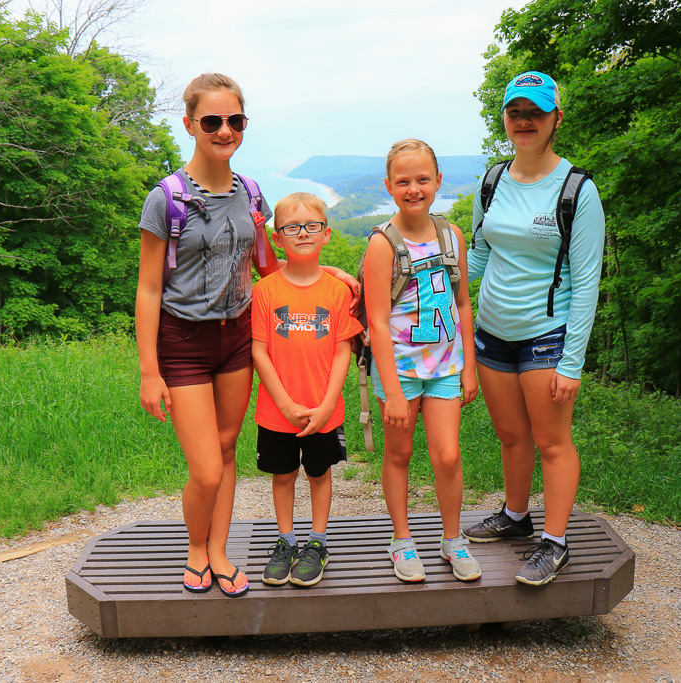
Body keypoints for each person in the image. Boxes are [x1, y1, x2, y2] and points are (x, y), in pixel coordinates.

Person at [135, 74, 355, 597]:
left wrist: (333, 276)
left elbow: (265, 264)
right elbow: (147, 290)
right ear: (190, 124)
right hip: (183, 342)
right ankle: (195, 547)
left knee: (229, 448)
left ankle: (218, 549)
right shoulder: (165, 199)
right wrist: (149, 371)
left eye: (235, 120)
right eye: (212, 121)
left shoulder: (249, 192)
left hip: (235, 337)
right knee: (207, 469)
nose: (224, 129)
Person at [460, 71, 605, 586]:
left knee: (552, 442)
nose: (525, 121)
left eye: (536, 112)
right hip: (493, 333)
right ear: (505, 118)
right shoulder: (492, 181)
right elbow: (476, 259)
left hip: (547, 335)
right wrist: (419, 269)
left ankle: (556, 541)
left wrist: (572, 363)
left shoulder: (576, 191)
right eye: (516, 112)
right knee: (511, 435)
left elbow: (587, 283)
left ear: (555, 119)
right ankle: (517, 517)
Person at [363, 139, 480, 583]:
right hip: (400, 370)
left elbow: (463, 304)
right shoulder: (383, 244)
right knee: (400, 453)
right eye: (404, 181)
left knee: (448, 456)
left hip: (446, 366)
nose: (414, 189)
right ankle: (402, 540)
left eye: (422, 179)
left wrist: (468, 365)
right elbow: (376, 319)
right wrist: (391, 390)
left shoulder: (452, 236)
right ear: (390, 186)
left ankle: (452, 540)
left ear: (438, 181)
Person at [251, 193, 363, 587]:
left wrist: (328, 403)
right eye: (291, 227)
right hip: (275, 411)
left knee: (319, 473)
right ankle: (285, 541)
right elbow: (259, 351)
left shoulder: (337, 292)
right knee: (282, 476)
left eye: (311, 225)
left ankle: (317, 544)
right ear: (277, 238)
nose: (302, 233)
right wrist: (283, 400)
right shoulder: (265, 291)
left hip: (324, 411)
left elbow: (342, 351)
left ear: (326, 234)